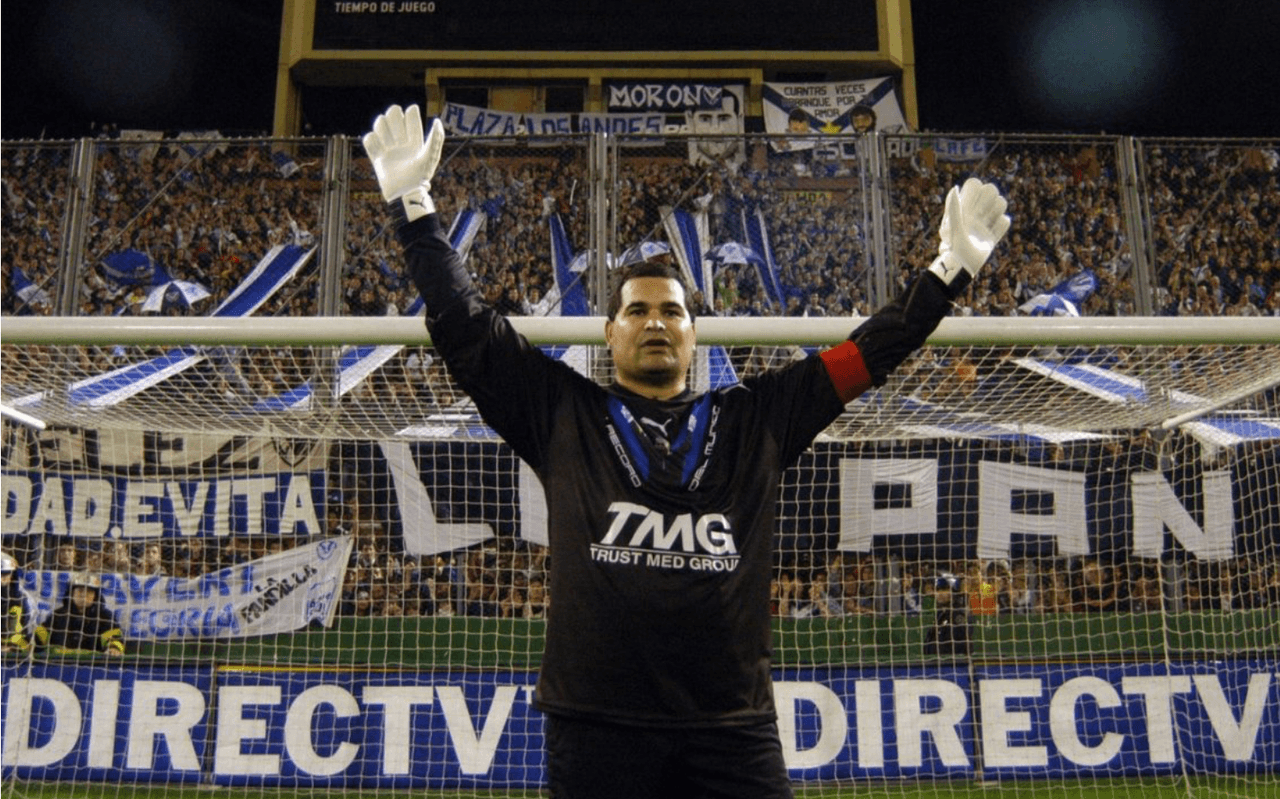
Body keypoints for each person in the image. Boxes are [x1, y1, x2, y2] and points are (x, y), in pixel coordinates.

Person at [363, 104, 1010, 799]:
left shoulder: (758, 417)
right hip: (595, 725)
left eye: (672, 310)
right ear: (609, 334)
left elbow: (867, 354)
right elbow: (464, 327)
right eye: (637, 310)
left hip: (732, 729)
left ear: (694, 338)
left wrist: (948, 273)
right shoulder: (562, 411)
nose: (655, 321)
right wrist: (414, 206)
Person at [34, 572, 125, 656]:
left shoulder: (105, 617)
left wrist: (114, 648)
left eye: (89, 591)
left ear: (95, 596)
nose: (84, 595)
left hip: (95, 666)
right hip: (59, 665)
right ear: (71, 593)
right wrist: (28, 644)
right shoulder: (58, 615)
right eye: (80, 590)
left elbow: (115, 638)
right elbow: (39, 636)